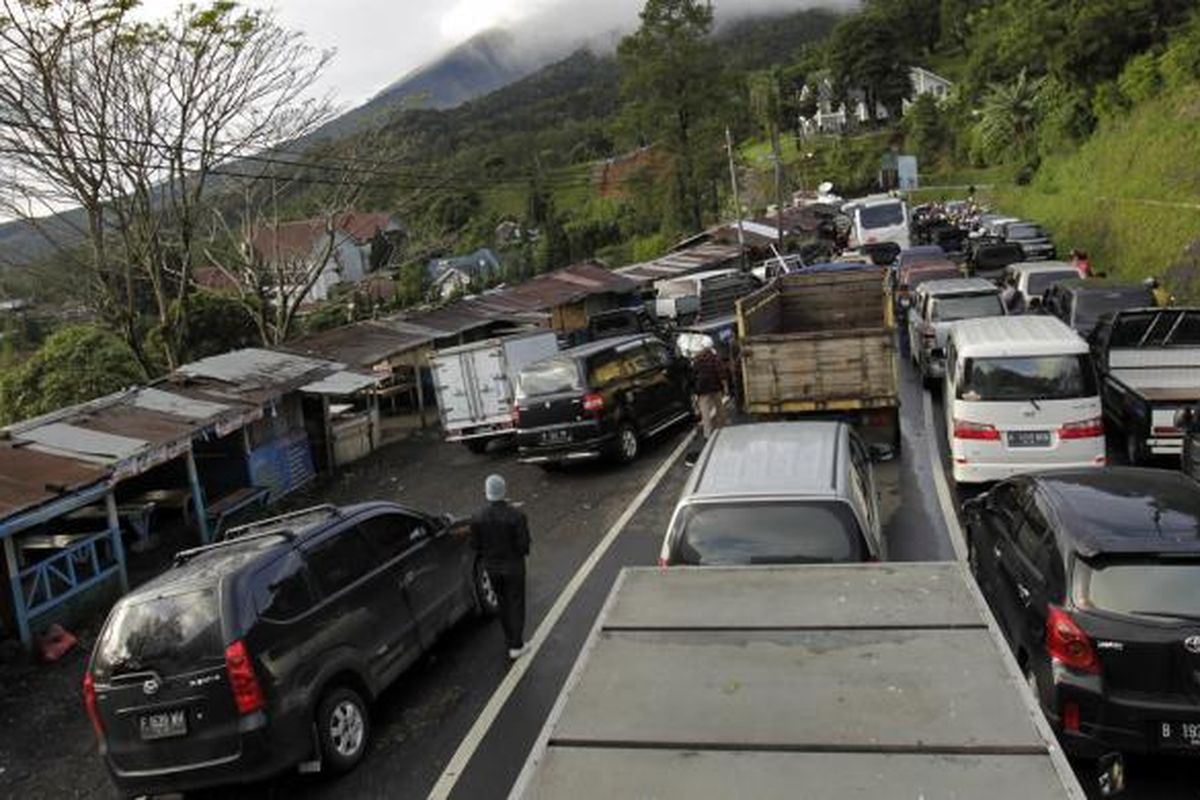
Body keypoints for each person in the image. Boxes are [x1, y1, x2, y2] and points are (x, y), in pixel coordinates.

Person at [470, 474, 531, 660]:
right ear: (504, 491)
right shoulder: (517, 516)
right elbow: (523, 546)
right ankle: (516, 645)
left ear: (487, 492)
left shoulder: (477, 517)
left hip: (492, 568)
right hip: (513, 566)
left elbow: (475, 545)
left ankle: (508, 639)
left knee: (503, 603)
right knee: (516, 603)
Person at [691, 343, 728, 439]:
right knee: (719, 408)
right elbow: (721, 374)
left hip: (702, 389)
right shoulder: (715, 359)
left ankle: (707, 433)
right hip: (715, 387)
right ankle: (722, 427)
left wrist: (695, 390)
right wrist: (725, 387)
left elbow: (693, 376)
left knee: (705, 412)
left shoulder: (697, 361)